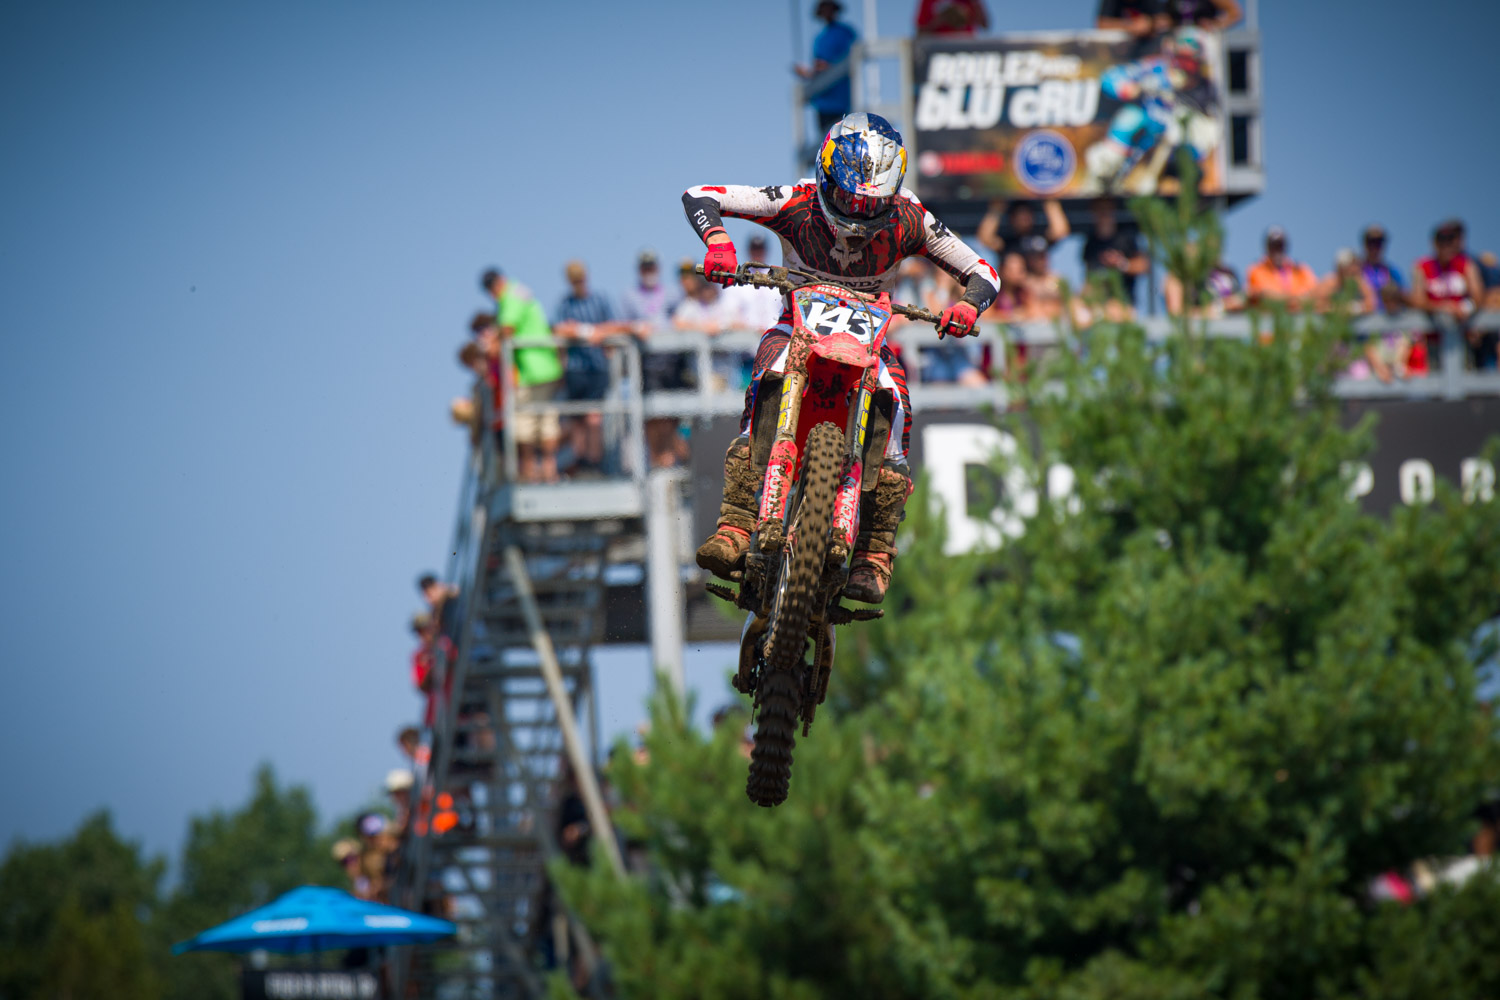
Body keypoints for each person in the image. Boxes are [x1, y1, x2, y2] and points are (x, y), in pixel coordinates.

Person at [682, 112, 999, 603]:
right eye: (850, 199)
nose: (858, 215)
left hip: (869, 345)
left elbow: (983, 271)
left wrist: (968, 305)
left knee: (898, 410)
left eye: (872, 204)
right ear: (826, 175)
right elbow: (701, 194)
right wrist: (718, 242)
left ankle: (874, 553)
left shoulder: (909, 217)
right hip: (795, 328)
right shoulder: (795, 201)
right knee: (765, 377)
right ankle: (736, 525)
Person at [483, 269, 564, 482]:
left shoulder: (510, 297)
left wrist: (492, 343)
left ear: (495, 287)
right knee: (546, 421)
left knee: (525, 424)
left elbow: (507, 328)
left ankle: (532, 472)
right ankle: (549, 471)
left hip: (531, 370)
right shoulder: (520, 292)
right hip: (545, 365)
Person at [553, 260, 622, 473]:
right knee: (577, 417)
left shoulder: (600, 300)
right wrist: (587, 332)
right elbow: (560, 329)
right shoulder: (565, 304)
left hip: (597, 367)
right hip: (576, 369)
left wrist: (592, 332)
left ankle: (594, 461)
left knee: (594, 417)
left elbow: (615, 325)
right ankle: (579, 460)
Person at [1412, 219, 1491, 370]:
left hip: (1462, 338)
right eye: (1442, 241)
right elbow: (1417, 300)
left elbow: (1479, 296)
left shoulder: (1466, 264)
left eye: (1450, 240)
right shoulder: (1423, 266)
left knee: (1467, 378)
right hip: (1434, 341)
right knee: (1435, 381)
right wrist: (1442, 307)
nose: (1446, 245)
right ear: (1434, 243)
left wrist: (1465, 307)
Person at [1080, 196, 1149, 319]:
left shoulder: (1126, 237)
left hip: (1123, 304)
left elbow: (1143, 266)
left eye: (1106, 209)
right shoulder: (1090, 243)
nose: (1103, 214)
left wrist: (1121, 264)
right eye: (1099, 210)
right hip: (1098, 305)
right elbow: (1089, 279)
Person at [796, 0, 858, 135]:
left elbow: (853, 58)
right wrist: (808, 73)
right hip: (823, 101)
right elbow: (818, 66)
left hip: (841, 99)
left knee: (843, 138)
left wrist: (828, 66)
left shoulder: (845, 33)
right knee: (826, 139)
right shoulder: (820, 38)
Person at [977, 198, 1069, 268]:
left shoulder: (1040, 236)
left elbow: (1060, 231)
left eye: (1027, 214)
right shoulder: (1008, 241)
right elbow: (985, 238)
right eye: (1019, 215)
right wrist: (996, 210)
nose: (1024, 218)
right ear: (1012, 218)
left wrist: (1050, 202)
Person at [1246, 226, 1318, 311]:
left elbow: (1313, 293)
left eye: (1280, 245)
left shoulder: (1301, 270)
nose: (1276, 250)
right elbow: (1260, 295)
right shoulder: (1256, 270)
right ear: (1267, 248)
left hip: (1299, 315)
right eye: (1273, 246)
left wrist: (1290, 300)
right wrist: (1293, 299)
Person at [915, 0, 989, 36]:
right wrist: (939, 21)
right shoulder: (928, 1)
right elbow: (919, 32)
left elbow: (985, 24)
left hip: (966, 47)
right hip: (937, 49)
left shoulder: (971, 2)